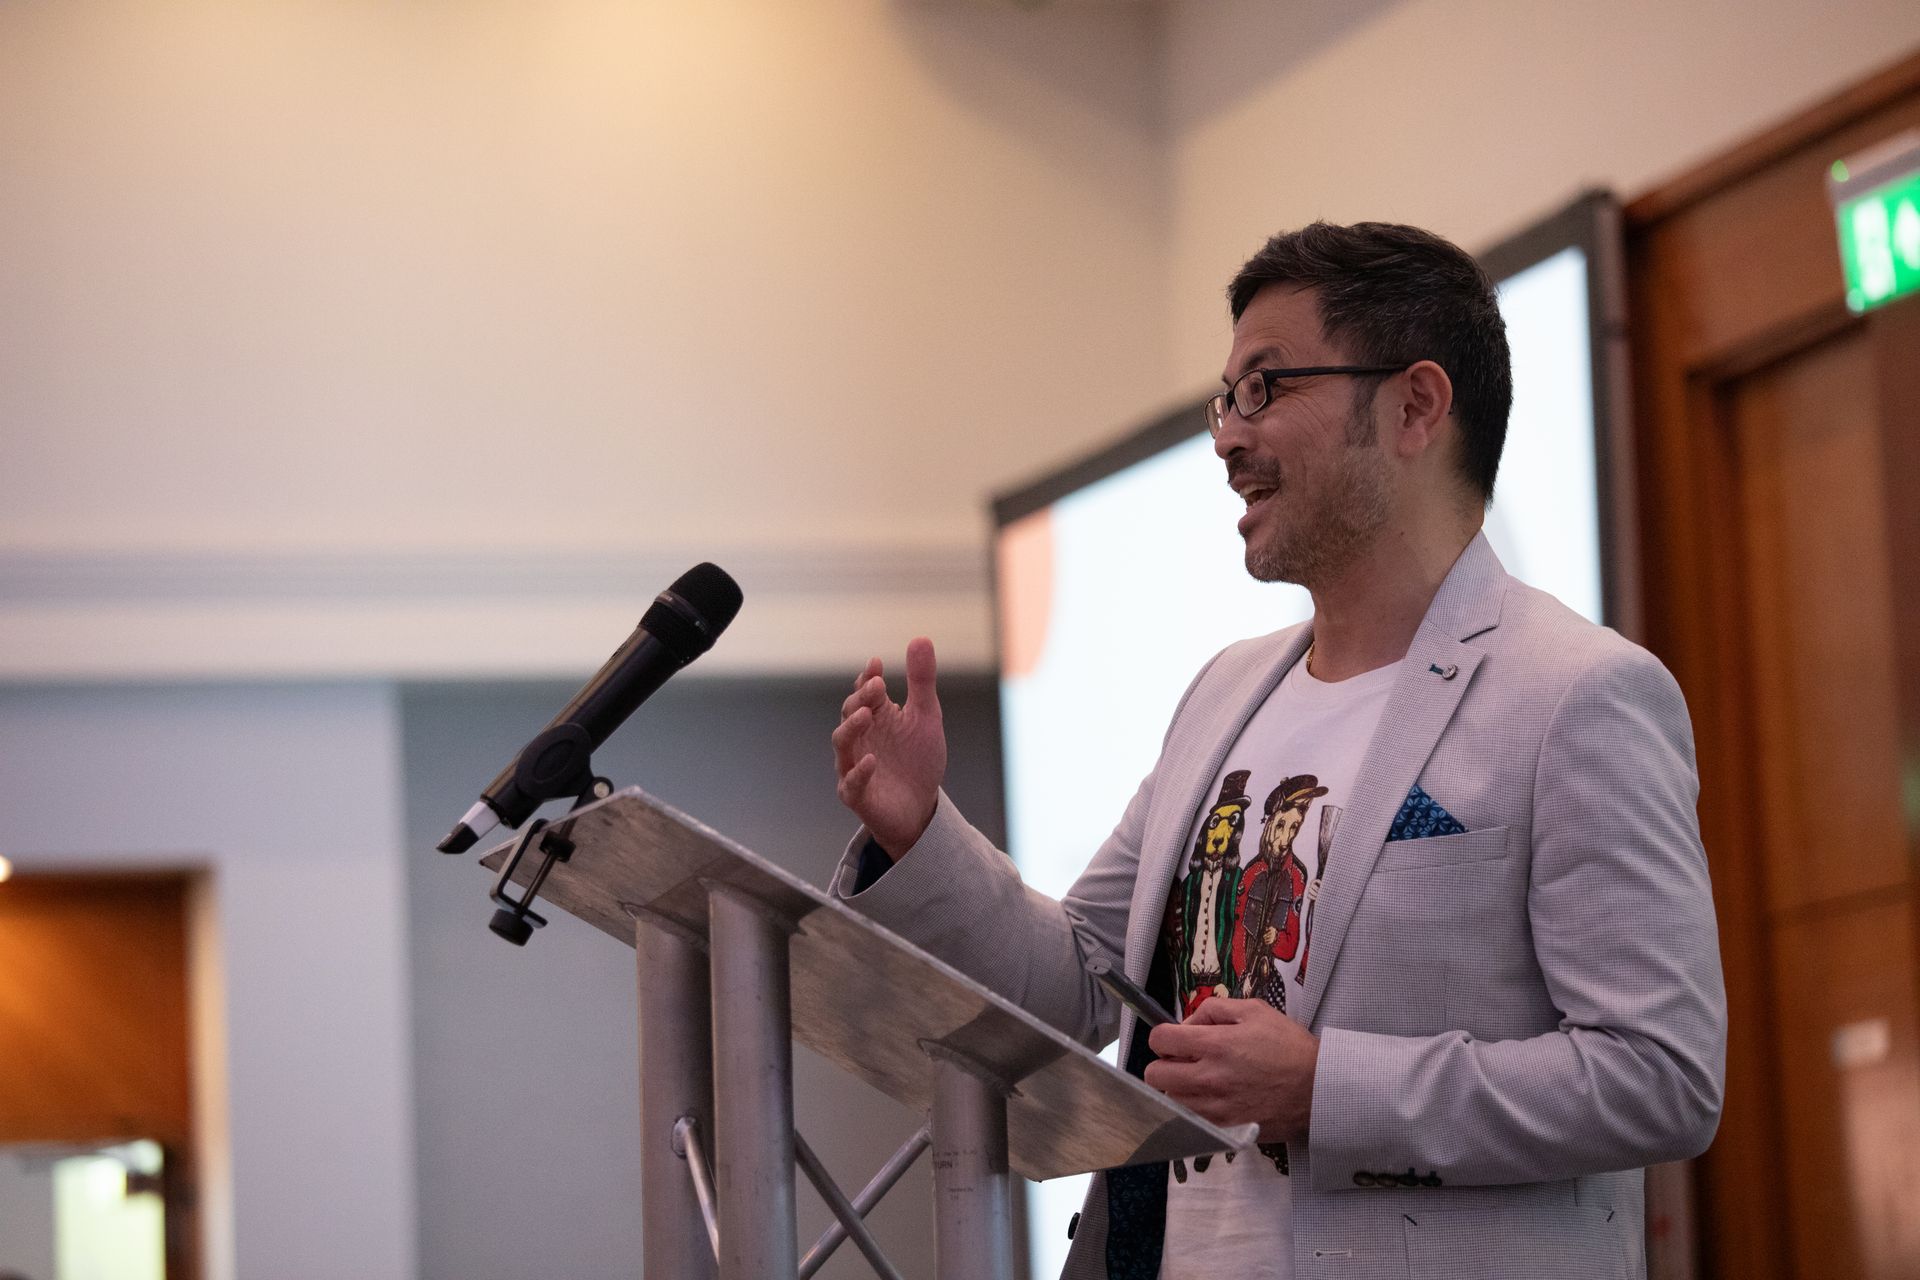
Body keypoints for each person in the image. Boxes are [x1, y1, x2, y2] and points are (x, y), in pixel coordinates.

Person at [828, 221, 1725, 1280]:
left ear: (1414, 405)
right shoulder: (1226, 693)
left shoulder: (1576, 693)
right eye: (1226, 398)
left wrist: (1325, 1087)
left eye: (1266, 387)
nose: (1226, 436)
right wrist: (921, 830)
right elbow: (1076, 979)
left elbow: (1659, 1074)